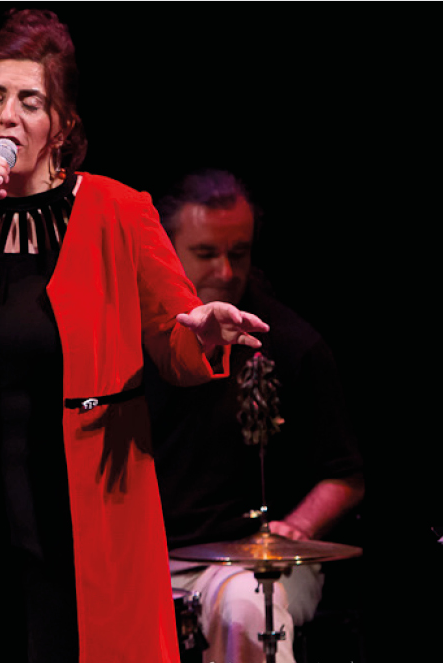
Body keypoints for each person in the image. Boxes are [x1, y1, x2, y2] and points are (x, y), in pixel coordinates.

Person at [0, 11, 269, 663]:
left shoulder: (121, 212)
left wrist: (205, 332)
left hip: (80, 524)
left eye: (30, 101)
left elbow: (176, 346)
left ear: (61, 126)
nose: (8, 116)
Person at [145, 168, 365, 663]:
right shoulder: (135, 341)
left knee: (246, 607)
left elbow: (344, 475)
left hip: (250, 566)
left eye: (238, 253)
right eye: (206, 253)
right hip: (152, 560)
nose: (225, 271)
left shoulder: (292, 344)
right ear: (167, 249)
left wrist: (297, 527)